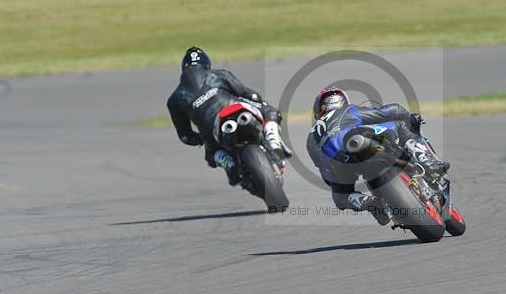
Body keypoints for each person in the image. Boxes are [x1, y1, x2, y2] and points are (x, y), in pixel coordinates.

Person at [306, 85, 449, 225]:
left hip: (340, 166)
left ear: (318, 110)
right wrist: (409, 118)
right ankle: (426, 159)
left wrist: (339, 184)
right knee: (399, 123)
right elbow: (392, 110)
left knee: (340, 198)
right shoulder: (349, 111)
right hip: (360, 142)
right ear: (343, 101)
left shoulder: (311, 138)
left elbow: (325, 173)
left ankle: (370, 204)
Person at [167, 47, 291, 185]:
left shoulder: (174, 99)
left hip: (211, 130)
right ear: (207, 65)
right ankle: (274, 143)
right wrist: (259, 102)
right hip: (234, 108)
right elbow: (248, 94)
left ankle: (229, 164)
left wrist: (200, 139)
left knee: (211, 155)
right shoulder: (219, 74)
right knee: (270, 112)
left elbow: (185, 136)